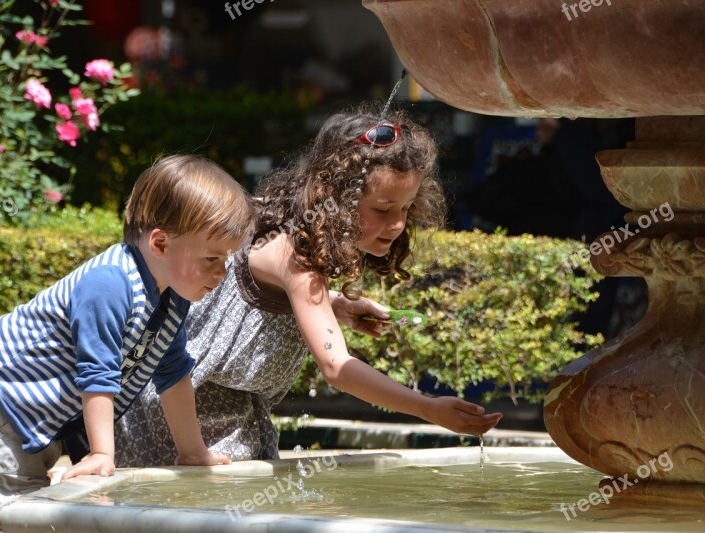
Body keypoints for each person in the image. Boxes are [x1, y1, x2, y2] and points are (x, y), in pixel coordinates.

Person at [115, 106, 503, 467]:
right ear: (336, 196)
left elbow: (251, 293)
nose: (399, 224)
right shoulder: (297, 258)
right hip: (177, 420)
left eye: (406, 208)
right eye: (383, 209)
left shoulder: (285, 220)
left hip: (215, 415)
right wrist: (427, 408)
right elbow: (336, 367)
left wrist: (333, 305)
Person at [0, 155, 254, 532]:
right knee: (13, 515)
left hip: (27, 411)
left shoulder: (173, 298)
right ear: (159, 243)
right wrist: (103, 453)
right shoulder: (109, 284)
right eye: (211, 258)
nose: (222, 272)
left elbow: (173, 373)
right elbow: (97, 373)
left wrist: (193, 451)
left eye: (226, 258)